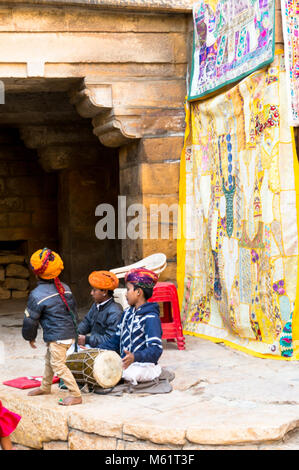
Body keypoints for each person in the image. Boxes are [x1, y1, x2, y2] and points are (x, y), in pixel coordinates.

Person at [22, 248, 82, 406]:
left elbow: (30, 321)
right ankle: (45, 386)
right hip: (67, 333)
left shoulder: (37, 295)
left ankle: (76, 394)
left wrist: (30, 337)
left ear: (36, 272)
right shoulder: (65, 288)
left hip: (58, 337)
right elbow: (74, 312)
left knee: (58, 365)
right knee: (49, 360)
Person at [100, 268, 163, 383]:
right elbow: (115, 340)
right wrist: (96, 350)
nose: (125, 294)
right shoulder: (127, 314)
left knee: (130, 374)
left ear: (138, 292)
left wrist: (135, 357)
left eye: (128, 289)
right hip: (126, 364)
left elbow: (156, 350)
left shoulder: (151, 318)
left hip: (144, 367)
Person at [77, 271, 123, 349]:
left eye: (94, 290)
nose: (91, 293)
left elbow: (110, 339)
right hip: (93, 346)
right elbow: (86, 322)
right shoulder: (96, 305)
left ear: (104, 292)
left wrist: (87, 340)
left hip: (105, 352)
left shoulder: (115, 312)